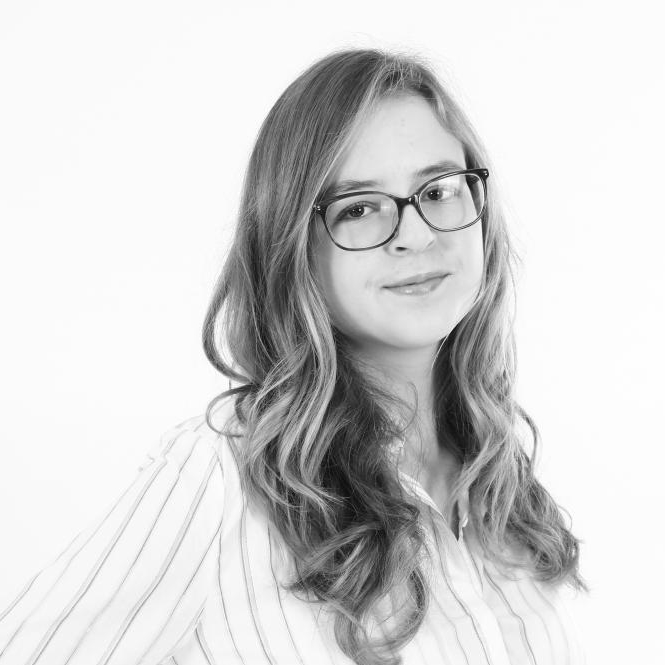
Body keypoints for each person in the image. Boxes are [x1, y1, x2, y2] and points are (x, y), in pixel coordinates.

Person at [0, 48, 589, 665]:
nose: (416, 234)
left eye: (439, 190)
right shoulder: (220, 479)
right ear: (292, 245)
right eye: (358, 208)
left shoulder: (501, 484)